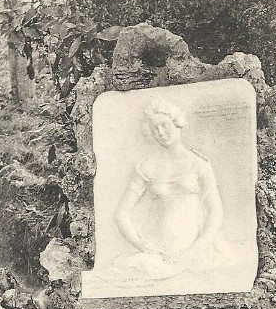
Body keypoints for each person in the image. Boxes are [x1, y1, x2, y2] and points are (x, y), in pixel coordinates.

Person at [94, 99, 234, 285]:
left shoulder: (199, 164)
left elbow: (215, 210)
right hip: (159, 249)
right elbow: (121, 213)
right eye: (155, 129)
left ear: (177, 123)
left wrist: (193, 251)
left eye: (165, 125)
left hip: (195, 247)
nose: (160, 132)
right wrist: (142, 245)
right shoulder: (147, 166)